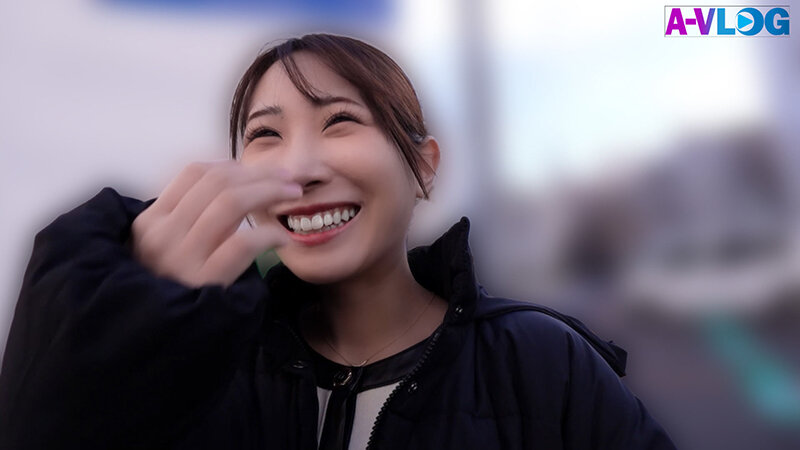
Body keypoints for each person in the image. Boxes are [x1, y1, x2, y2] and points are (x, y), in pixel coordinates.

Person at [0, 33, 676, 450]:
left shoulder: (541, 361)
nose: (299, 168)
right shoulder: (200, 368)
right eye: (265, 135)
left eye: (340, 121)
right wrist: (112, 338)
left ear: (424, 168)